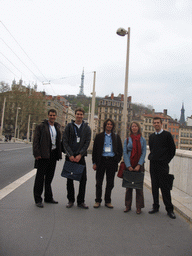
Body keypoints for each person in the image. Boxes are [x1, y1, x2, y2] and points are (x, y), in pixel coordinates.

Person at [62, 107, 91, 209]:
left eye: (81, 114)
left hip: (80, 157)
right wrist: (70, 154)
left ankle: (81, 201)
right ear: (75, 115)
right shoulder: (69, 127)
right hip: (70, 157)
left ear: (83, 116)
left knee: (83, 180)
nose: (79, 116)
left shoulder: (87, 128)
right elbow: (64, 141)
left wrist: (80, 155)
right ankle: (70, 200)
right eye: (78, 114)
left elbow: (87, 142)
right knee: (69, 179)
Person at [33, 109, 62, 208]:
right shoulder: (41, 126)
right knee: (40, 178)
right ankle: (38, 199)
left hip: (53, 154)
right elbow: (36, 140)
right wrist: (37, 153)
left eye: (54, 115)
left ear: (56, 116)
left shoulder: (57, 127)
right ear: (48, 116)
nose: (52, 117)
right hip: (43, 155)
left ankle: (48, 197)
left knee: (49, 177)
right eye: (51, 115)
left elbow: (58, 141)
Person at [148, 117, 176, 219]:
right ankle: (155, 206)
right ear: (153, 124)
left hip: (163, 165)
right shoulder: (151, 137)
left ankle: (169, 209)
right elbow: (152, 149)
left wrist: (166, 161)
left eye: (158, 123)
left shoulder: (167, 135)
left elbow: (172, 150)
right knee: (154, 187)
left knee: (165, 188)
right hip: (153, 164)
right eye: (154, 123)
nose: (156, 124)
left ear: (161, 124)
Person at [92, 118, 122, 208]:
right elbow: (95, 150)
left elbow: (120, 150)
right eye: (107, 124)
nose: (109, 126)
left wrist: (117, 160)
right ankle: (98, 200)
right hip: (101, 160)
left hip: (112, 161)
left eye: (111, 124)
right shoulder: (99, 136)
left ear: (113, 126)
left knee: (110, 182)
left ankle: (108, 201)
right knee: (99, 182)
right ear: (105, 125)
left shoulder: (116, 137)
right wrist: (94, 163)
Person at [123, 121, 146, 214]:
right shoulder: (127, 140)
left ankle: (139, 207)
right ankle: (128, 206)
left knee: (139, 187)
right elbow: (125, 153)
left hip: (139, 165)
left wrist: (139, 165)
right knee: (129, 187)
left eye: (136, 126)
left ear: (138, 128)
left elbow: (144, 153)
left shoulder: (143, 140)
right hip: (130, 164)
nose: (134, 128)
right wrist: (128, 165)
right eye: (132, 126)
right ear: (131, 128)